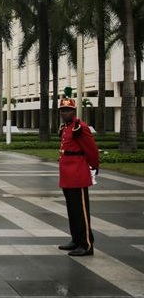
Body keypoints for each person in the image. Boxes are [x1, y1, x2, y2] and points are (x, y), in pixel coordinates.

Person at [57, 98, 99, 256]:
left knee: (81, 211)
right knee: (72, 210)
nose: (64, 112)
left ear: (73, 111)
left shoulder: (80, 127)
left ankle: (86, 244)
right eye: (62, 110)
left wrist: (94, 166)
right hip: (67, 173)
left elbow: (92, 149)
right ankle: (76, 239)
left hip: (78, 173)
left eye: (67, 110)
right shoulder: (66, 127)